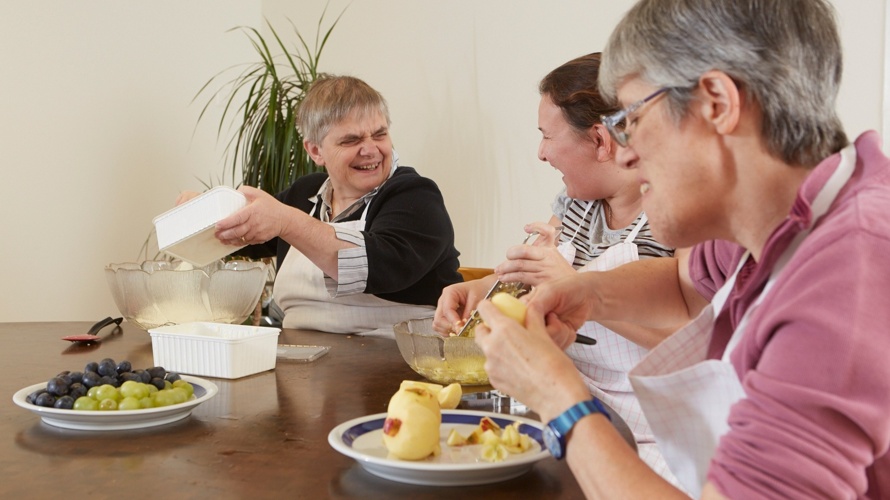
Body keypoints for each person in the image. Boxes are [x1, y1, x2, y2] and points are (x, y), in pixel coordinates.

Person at [473, 0, 890, 498]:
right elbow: (684, 287)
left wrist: (559, 399)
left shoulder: (850, 271)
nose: (624, 153)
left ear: (716, 102)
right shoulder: (778, 214)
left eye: (631, 119)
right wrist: (585, 292)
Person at [433, 53, 677, 481]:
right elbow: (533, 267)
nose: (541, 154)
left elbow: (689, 334)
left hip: (654, 435)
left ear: (601, 141)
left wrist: (576, 286)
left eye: (547, 136)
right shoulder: (576, 206)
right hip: (570, 405)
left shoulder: (675, 217)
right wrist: (481, 288)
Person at [179, 75, 462, 337]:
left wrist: (287, 222)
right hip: (302, 365)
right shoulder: (305, 193)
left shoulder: (414, 195)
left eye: (379, 134)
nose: (370, 149)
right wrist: (205, 210)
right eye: (351, 140)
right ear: (315, 151)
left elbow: (378, 267)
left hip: (397, 366)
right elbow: (243, 234)